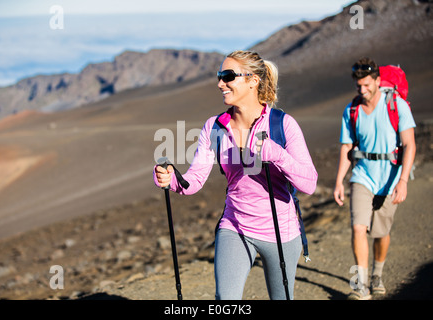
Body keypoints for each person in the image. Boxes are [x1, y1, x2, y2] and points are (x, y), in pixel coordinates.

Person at [153, 50, 317, 300]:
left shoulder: (282, 125)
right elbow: (194, 180)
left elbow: (309, 183)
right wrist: (171, 180)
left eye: (228, 76)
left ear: (253, 80)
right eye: (220, 76)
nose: (220, 83)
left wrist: (276, 154)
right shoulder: (214, 127)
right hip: (235, 226)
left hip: (280, 232)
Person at [333, 57, 416, 300]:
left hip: (389, 178)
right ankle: (360, 286)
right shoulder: (352, 110)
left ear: (378, 81)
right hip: (363, 176)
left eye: (367, 85)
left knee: (380, 233)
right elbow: (347, 148)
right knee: (358, 227)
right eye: (359, 86)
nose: (362, 90)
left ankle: (377, 275)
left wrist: (402, 181)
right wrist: (339, 180)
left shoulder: (396, 105)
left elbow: (410, 145)